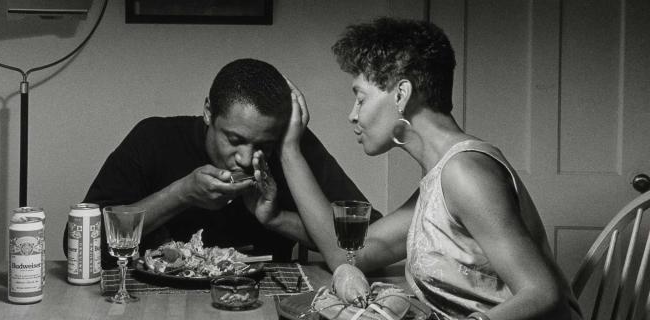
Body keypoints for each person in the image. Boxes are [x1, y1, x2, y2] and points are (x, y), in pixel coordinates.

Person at [279, 19, 582, 319]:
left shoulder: (465, 174)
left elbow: (544, 295)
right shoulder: (440, 176)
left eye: (360, 98)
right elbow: (347, 254)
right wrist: (290, 151)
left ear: (401, 95)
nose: (352, 115)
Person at [65, 58, 379, 268]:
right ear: (208, 112)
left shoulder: (292, 148)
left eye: (263, 146)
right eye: (234, 139)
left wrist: (277, 218)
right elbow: (78, 244)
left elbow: (367, 241)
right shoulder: (154, 138)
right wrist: (181, 193)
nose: (245, 158)